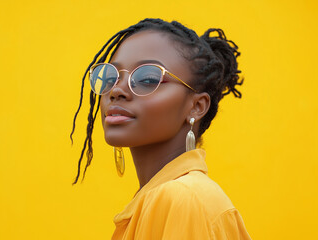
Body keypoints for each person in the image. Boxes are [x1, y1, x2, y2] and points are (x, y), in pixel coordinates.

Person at [70, 18, 252, 239]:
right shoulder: (161, 198)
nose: (116, 90)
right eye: (110, 77)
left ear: (196, 106)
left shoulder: (183, 198)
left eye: (147, 78)